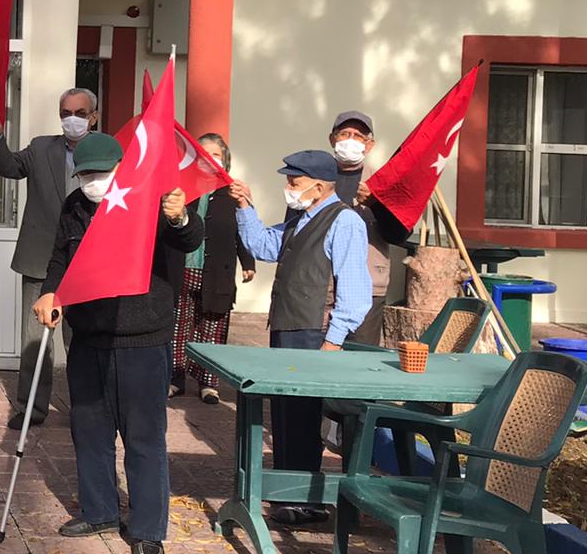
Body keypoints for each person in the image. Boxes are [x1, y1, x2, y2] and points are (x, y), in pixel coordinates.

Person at [32, 133, 202, 554]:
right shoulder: (75, 206)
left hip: (142, 340)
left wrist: (180, 216)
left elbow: (187, 239)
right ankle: (100, 511)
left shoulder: (151, 201)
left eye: (101, 174)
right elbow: (59, 258)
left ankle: (147, 530)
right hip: (89, 337)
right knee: (89, 432)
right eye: (86, 174)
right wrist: (50, 292)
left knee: (144, 438)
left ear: (120, 170)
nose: (93, 182)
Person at [229, 150, 371, 526]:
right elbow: (264, 246)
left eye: (294, 182)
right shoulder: (300, 219)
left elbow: (355, 291)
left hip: (315, 331)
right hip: (288, 326)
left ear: (320, 186)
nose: (288, 188)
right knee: (286, 414)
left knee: (307, 416)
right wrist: (245, 206)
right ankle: (287, 495)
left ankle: (309, 500)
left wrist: (334, 340)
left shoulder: (345, 222)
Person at [0, 86, 98, 429]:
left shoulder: (106, 154)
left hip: (86, 263)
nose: (70, 120)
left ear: (93, 116)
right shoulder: (42, 147)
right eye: (65, 113)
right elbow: (7, 166)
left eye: (78, 113)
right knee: (35, 341)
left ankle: (87, 411)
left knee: (82, 341)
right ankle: (31, 407)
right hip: (40, 258)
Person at [169, 133, 256, 405]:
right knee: (179, 328)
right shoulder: (183, 188)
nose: (209, 158)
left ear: (225, 161)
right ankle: (175, 378)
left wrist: (248, 262)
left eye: (215, 154)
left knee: (211, 329)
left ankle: (209, 383)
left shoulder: (233, 193)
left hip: (218, 271)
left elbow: (242, 231)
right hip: (184, 269)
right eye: (203, 153)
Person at [327, 110, 409, 346]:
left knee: (359, 358)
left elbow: (399, 234)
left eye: (358, 136)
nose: (351, 140)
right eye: (345, 133)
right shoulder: (317, 178)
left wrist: (376, 203)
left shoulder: (383, 182)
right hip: (322, 286)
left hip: (367, 288)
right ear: (333, 139)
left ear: (369, 145)